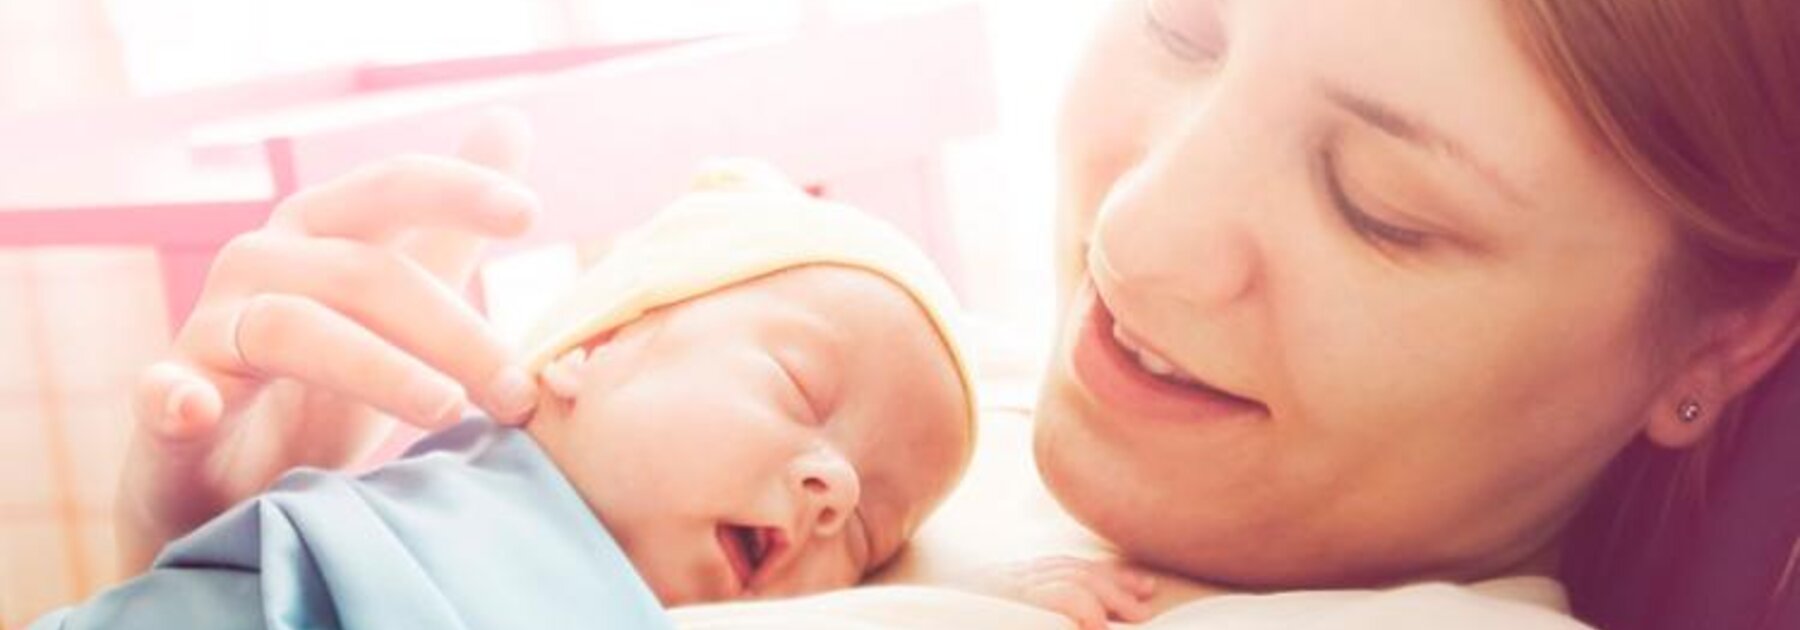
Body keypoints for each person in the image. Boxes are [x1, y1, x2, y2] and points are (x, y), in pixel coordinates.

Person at [114, 0, 1800, 627]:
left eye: (1386, 207)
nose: (1141, 233)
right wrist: (267, 540)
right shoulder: (922, 390)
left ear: (1720, 346)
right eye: (1178, 30)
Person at [38, 163, 988, 628]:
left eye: (873, 535)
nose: (837, 490)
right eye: (798, 387)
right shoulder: (432, 509)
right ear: (597, 349)